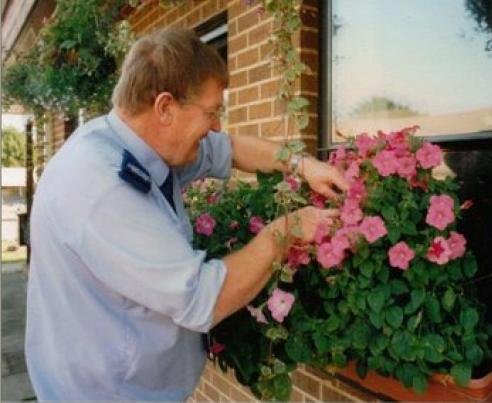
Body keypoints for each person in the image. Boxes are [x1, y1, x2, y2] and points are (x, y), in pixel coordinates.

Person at [25, 27, 347, 400]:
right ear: (165, 108)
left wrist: (303, 166)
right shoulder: (101, 186)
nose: (215, 126)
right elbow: (203, 299)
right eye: (211, 112)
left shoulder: (132, 141)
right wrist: (287, 230)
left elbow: (228, 148)